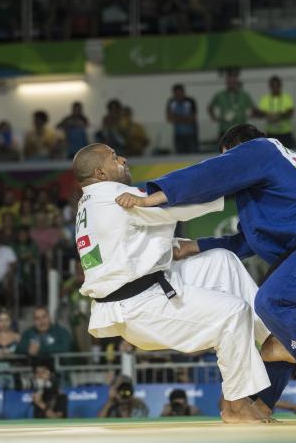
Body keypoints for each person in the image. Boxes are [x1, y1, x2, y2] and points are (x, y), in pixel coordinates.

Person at [120, 124, 296, 415]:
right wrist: (192, 246)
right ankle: (262, 407)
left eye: (229, 160)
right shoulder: (286, 171)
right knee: (283, 335)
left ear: (236, 151)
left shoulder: (261, 148)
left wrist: (152, 196)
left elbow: (209, 174)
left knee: (272, 302)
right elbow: (246, 241)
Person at [71, 143, 272, 423]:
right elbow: (179, 206)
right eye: (115, 158)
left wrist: (172, 245)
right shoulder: (115, 197)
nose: (124, 159)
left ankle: (272, 339)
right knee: (234, 312)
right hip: (140, 305)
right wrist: (234, 184)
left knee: (220, 261)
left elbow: (126, 245)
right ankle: (235, 405)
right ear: (100, 173)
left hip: (148, 285)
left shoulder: (90, 203)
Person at [208, 70, 257, 137]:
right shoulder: (220, 95)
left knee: (241, 147)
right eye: (229, 82)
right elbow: (210, 107)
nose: (231, 84)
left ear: (236, 82)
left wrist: (251, 114)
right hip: (225, 129)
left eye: (233, 82)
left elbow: (253, 109)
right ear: (226, 82)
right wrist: (214, 117)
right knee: (225, 147)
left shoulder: (244, 95)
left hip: (241, 130)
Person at [257, 76, 296, 148]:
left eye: (277, 85)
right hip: (271, 133)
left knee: (287, 154)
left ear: (280, 86)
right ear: (270, 86)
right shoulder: (265, 99)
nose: (275, 88)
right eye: (273, 86)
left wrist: (278, 116)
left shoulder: (287, 98)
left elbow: (291, 112)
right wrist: (268, 115)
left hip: (285, 133)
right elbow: (259, 113)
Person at [166, 84, 199, 154]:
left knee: (193, 155)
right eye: (176, 94)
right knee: (180, 155)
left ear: (183, 92)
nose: (178, 95)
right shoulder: (171, 102)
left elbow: (193, 118)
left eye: (180, 93)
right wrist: (185, 119)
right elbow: (169, 118)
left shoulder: (190, 101)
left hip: (191, 134)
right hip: (178, 135)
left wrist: (177, 118)